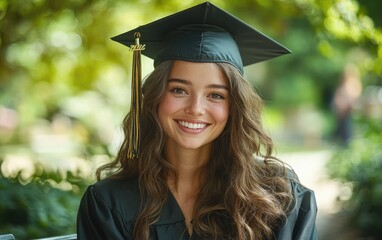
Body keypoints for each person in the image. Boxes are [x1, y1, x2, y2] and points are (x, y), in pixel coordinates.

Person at [77, 2, 318, 239]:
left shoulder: (278, 196)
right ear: (155, 97)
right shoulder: (109, 203)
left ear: (234, 107)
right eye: (179, 90)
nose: (195, 109)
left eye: (216, 95)